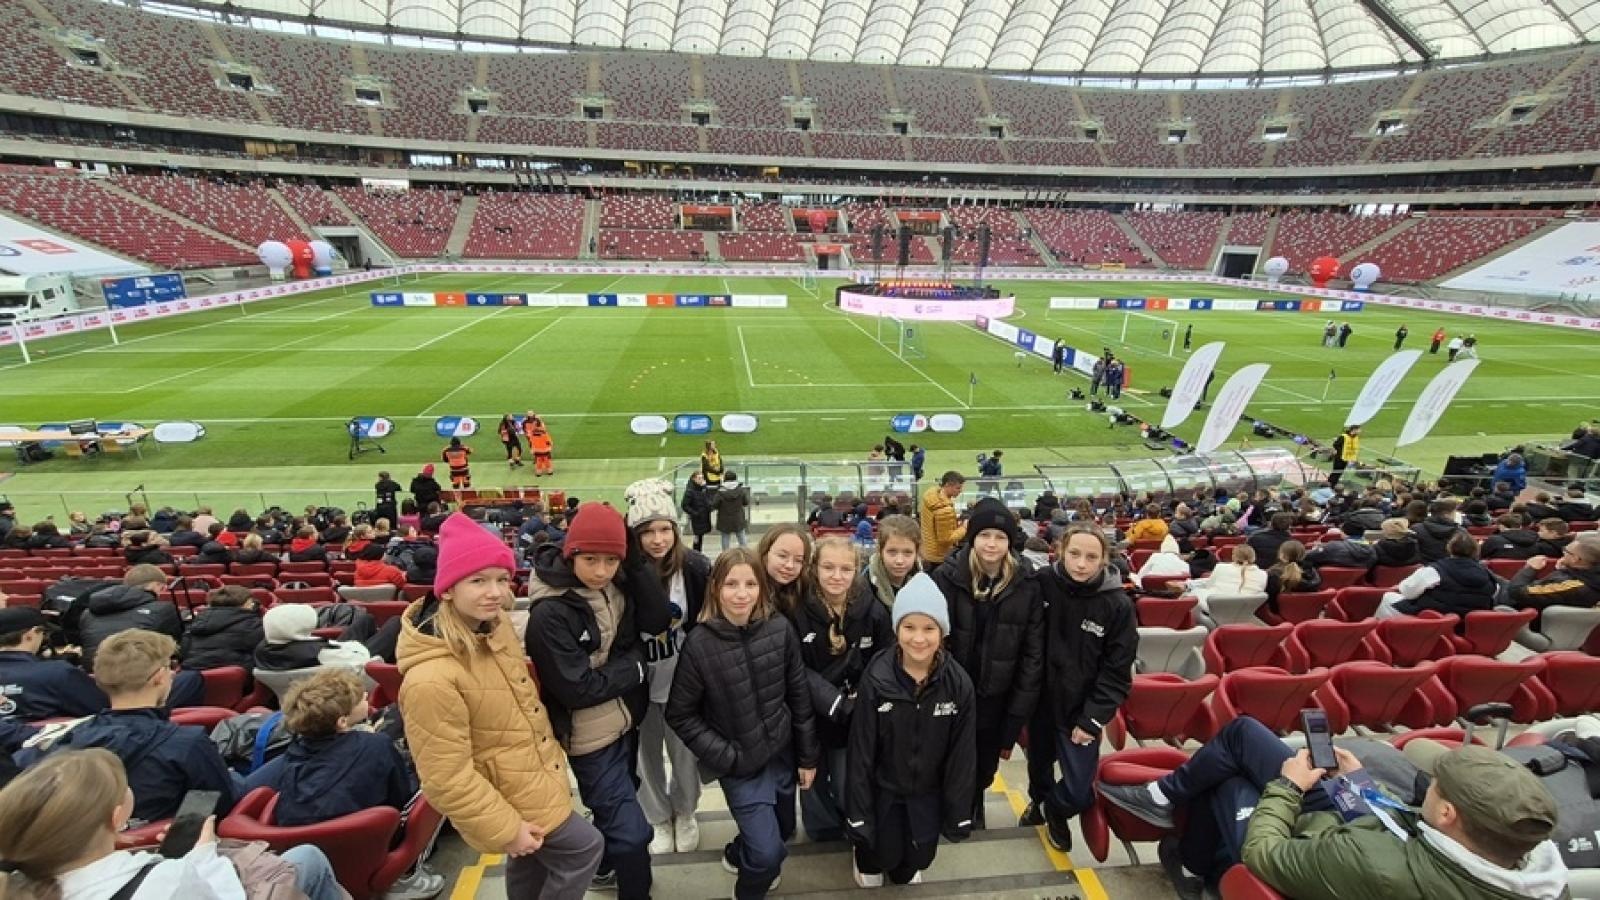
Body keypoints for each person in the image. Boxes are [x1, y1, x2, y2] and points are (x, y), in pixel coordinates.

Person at [1097, 716, 1567, 898]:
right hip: (1352, 832)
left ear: (1448, 814)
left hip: (1311, 849)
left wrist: (1287, 789)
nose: (1428, 786)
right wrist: (1356, 784)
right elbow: (1397, 829)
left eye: (1436, 786)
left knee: (1229, 780)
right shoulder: (1522, 864)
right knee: (1241, 735)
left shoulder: (1377, 865)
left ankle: (1196, 866)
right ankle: (1166, 798)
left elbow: (1268, 856)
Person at [398, 512, 605, 900]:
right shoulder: (430, 680)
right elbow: (446, 779)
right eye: (478, 580)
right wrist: (505, 828)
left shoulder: (493, 627)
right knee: (584, 848)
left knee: (532, 860)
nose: (494, 592)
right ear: (446, 590)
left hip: (531, 779)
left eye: (500, 579)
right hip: (509, 795)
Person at [525, 502, 669, 899]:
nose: (602, 571)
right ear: (571, 553)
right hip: (588, 737)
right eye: (591, 559)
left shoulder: (617, 582)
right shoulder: (549, 613)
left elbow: (657, 621)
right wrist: (637, 668)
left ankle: (605, 866)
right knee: (632, 833)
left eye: (611, 560)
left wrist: (635, 562)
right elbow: (578, 688)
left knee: (624, 797)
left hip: (625, 720)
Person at [665, 548, 818, 900]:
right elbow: (680, 713)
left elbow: (798, 696)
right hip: (740, 765)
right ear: (716, 588)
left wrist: (807, 757)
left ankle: (738, 852)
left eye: (750, 583)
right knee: (768, 855)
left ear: (762, 588)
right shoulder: (699, 645)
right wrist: (726, 756)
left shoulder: (779, 629)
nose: (741, 593)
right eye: (731, 584)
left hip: (780, 756)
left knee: (781, 833)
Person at [0, 748, 346, 900]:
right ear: (115, 818)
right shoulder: (164, 879)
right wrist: (204, 854)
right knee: (309, 858)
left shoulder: (16, 882)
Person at [16, 630, 239, 823]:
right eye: (170, 666)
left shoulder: (56, 740)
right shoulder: (188, 743)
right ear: (160, 677)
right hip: (165, 854)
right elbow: (218, 806)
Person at [845, 572, 975, 887]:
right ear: (896, 630)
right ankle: (865, 858)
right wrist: (859, 814)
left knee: (915, 862)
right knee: (881, 854)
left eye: (929, 628)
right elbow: (860, 753)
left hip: (927, 792)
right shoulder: (876, 679)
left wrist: (958, 811)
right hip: (884, 791)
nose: (919, 638)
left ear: (942, 632)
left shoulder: (959, 685)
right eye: (909, 627)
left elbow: (962, 756)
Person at [930, 498, 1043, 829]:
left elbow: (1032, 655)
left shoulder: (1027, 584)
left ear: (1009, 541)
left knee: (984, 765)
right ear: (972, 538)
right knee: (948, 757)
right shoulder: (946, 577)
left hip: (997, 697)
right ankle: (954, 810)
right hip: (952, 692)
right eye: (984, 535)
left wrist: (1017, 712)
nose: (991, 544)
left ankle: (972, 801)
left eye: (999, 536)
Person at [1023, 524, 1136, 851]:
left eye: (1091, 557)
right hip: (1040, 703)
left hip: (1081, 710)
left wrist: (1093, 718)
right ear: (1059, 551)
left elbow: (1117, 673)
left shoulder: (1117, 606)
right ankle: (1039, 802)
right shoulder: (1041, 584)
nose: (1081, 564)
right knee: (1038, 764)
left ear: (1104, 559)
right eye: (1074, 554)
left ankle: (1055, 808)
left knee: (1078, 789)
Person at [624, 479, 711, 856]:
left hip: (683, 682)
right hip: (641, 684)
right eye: (647, 532)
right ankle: (657, 817)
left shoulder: (694, 568)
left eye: (665, 529)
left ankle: (685, 811)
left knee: (685, 755)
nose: (658, 539)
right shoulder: (623, 574)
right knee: (646, 757)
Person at [791, 537, 891, 843]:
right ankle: (821, 830)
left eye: (846, 568)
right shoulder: (797, 610)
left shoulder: (872, 611)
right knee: (813, 777)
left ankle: (854, 823)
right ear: (814, 568)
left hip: (856, 713)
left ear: (857, 570)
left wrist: (862, 696)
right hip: (811, 712)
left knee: (851, 775)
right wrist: (833, 701)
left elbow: (884, 660)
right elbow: (794, 667)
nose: (837, 576)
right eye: (828, 567)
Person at [244, 668, 418, 828]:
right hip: (372, 839)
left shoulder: (292, 756)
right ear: (342, 722)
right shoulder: (377, 744)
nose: (366, 695)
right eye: (359, 699)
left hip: (298, 842)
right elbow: (401, 797)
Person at [0, 606, 107, 719]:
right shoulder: (59, 672)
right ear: (30, 635)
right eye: (43, 633)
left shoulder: (56, 671)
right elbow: (106, 711)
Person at [78, 565, 184, 669]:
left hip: (96, 674)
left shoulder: (87, 613)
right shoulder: (164, 609)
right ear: (157, 585)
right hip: (139, 675)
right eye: (163, 588)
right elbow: (175, 647)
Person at [1378, 531, 1497, 619]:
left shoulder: (1435, 570)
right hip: (1466, 621)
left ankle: (1380, 635)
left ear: (1449, 548)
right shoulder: (1487, 573)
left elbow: (1407, 591)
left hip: (1434, 617)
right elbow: (1494, 593)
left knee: (1388, 597)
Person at [254, 603, 371, 671]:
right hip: (358, 663)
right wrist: (353, 645)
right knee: (389, 624)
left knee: (366, 620)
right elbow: (361, 659)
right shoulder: (319, 653)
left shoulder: (261, 650)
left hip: (326, 658)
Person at [179, 585, 265, 671]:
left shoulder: (196, 622)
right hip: (237, 677)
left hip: (193, 673)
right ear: (244, 605)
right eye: (250, 603)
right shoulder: (253, 625)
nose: (253, 605)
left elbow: (185, 651)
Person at [1506, 539, 1600, 614]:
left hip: (1529, 617)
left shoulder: (1574, 586)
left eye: (1566, 551)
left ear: (1575, 559)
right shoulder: (1587, 577)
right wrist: (1562, 571)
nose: (1563, 553)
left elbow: (1517, 591)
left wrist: (1530, 568)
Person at [862, 515, 921, 608]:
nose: (899, 561)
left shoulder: (925, 586)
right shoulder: (863, 590)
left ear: (916, 553)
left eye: (907, 553)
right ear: (880, 551)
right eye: (892, 552)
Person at [757, 523, 813, 618]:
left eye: (798, 560)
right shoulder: (747, 594)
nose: (790, 565)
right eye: (782, 556)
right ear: (765, 554)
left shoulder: (806, 593)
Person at [919, 471, 966, 572]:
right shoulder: (944, 510)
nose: (960, 491)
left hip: (928, 551)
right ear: (948, 485)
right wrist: (964, 528)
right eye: (958, 488)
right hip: (939, 557)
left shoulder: (931, 497)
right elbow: (946, 539)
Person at [1264, 540, 1321, 614]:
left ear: (1281, 555)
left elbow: (1270, 603)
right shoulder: (1313, 573)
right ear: (1303, 555)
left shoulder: (1273, 574)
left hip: (1278, 618)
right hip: (1308, 615)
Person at [1412, 499, 1465, 563]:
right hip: (1450, 568)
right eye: (1454, 512)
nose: (1455, 515)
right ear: (1446, 515)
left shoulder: (1416, 528)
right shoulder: (1461, 531)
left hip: (1426, 568)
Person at [1304, 528, 1377, 571]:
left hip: (1325, 582)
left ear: (1344, 533)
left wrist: (1317, 549)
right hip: (1355, 584)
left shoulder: (1333, 546)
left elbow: (1308, 556)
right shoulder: (1373, 550)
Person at [682, 471, 714, 553]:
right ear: (694, 479)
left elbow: (708, 499)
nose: (701, 480)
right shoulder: (690, 491)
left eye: (702, 478)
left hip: (704, 517)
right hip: (697, 518)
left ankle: (698, 553)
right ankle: (696, 554)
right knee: (697, 538)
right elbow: (684, 505)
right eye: (699, 478)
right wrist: (695, 513)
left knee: (700, 537)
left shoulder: (703, 488)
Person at [524, 412, 554, 477]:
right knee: (547, 460)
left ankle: (538, 472)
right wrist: (551, 446)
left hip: (537, 450)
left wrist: (532, 449)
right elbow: (548, 441)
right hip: (545, 449)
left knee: (538, 460)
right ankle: (549, 471)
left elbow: (531, 442)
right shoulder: (544, 433)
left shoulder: (532, 434)